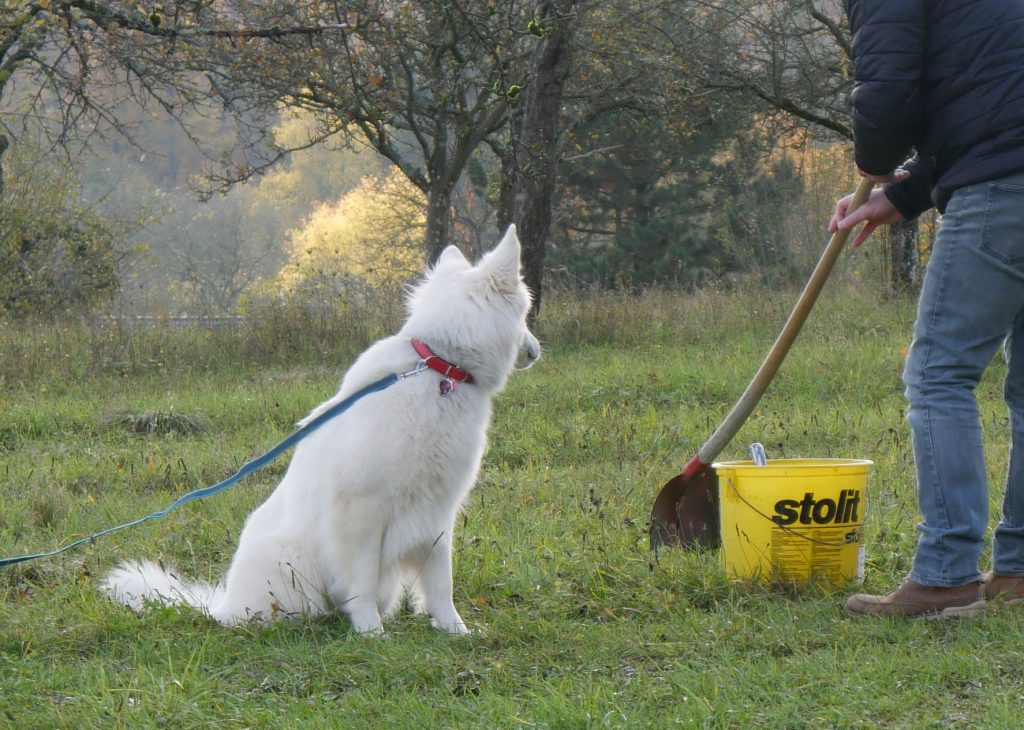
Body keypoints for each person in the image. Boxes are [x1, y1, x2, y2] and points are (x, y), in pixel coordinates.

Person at [831, 0, 1024, 618]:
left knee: (938, 372)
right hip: (1004, 163)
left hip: (1004, 188)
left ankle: (946, 574)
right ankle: (1018, 572)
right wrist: (902, 195)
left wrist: (876, 153)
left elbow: (888, 93)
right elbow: (990, 92)